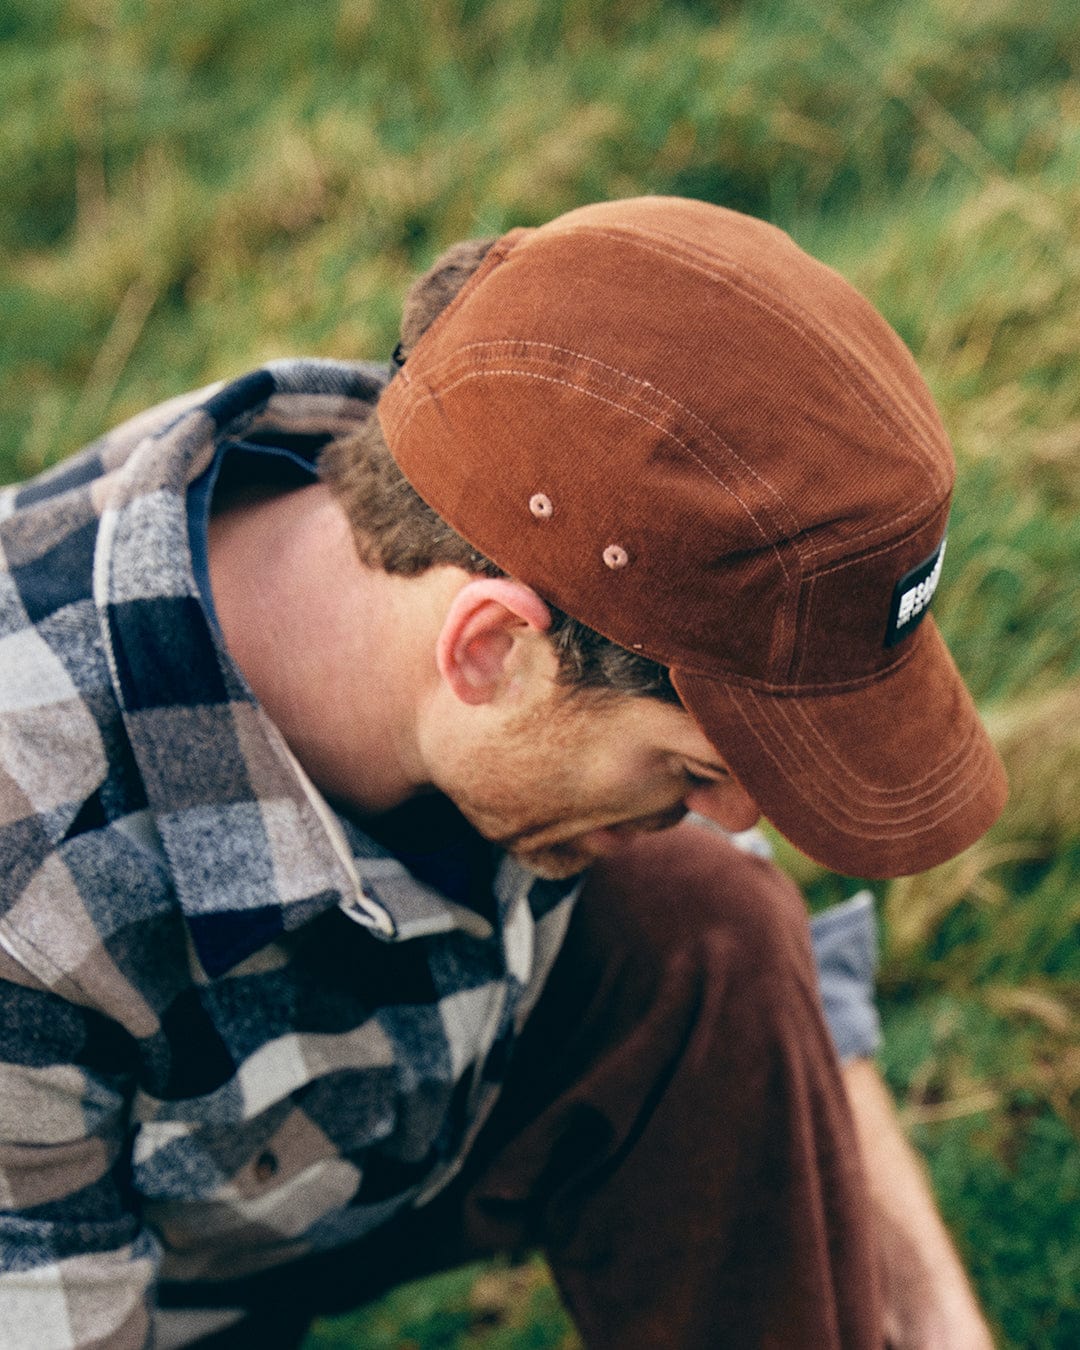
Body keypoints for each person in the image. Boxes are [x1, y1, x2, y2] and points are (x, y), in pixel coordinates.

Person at [0, 197, 1005, 1348]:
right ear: (491, 649)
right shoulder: (26, 882)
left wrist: (935, 1318)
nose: (738, 815)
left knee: (706, 916)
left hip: (366, 1128)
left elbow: (774, 973)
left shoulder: (540, 487)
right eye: (700, 767)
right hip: (114, 1284)